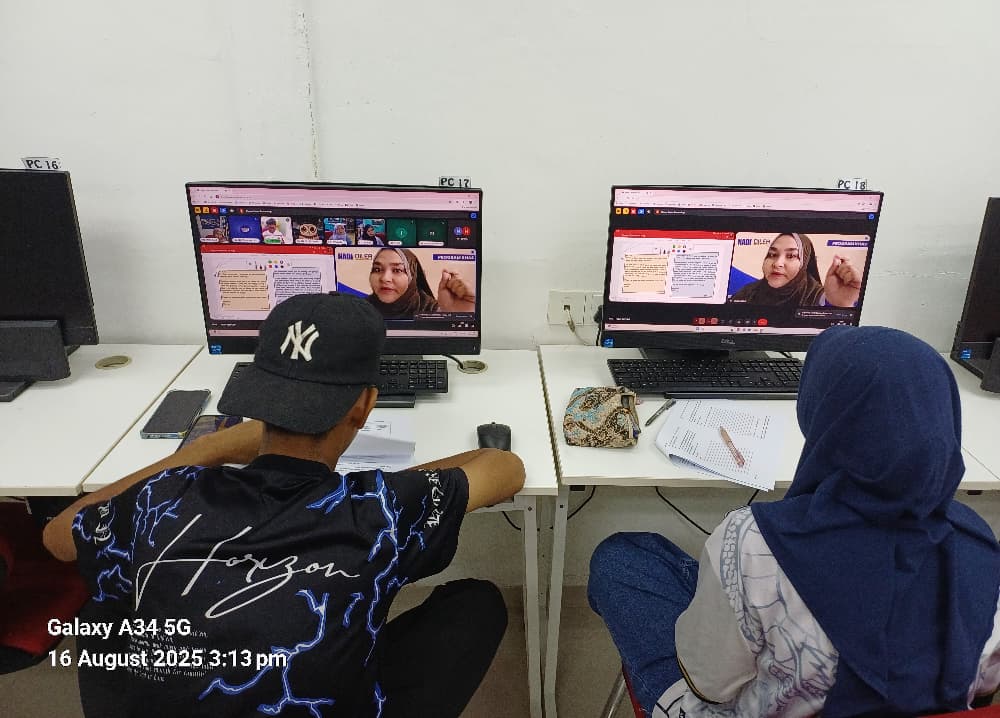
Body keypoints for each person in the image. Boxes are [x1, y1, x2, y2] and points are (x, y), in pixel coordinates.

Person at [43, 293, 525, 718]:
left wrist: (207, 449)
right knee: (477, 604)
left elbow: (58, 537)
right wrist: (381, 489)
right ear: (364, 405)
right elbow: (504, 468)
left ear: (256, 395)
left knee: (108, 595)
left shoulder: (162, 497)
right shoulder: (379, 510)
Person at [588, 325, 1000, 718]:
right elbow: (983, 689)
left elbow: (710, 685)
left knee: (622, 557)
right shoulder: (980, 548)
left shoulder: (753, 543)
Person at [730, 232, 862, 308]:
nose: (777, 263)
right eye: (772, 254)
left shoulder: (819, 297)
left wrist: (840, 304)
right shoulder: (748, 292)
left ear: (804, 263)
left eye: (791, 256)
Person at [367, 247, 476, 318]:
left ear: (412, 276)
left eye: (397, 270)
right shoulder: (361, 310)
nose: (385, 278)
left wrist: (453, 314)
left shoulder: (432, 310)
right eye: (377, 269)